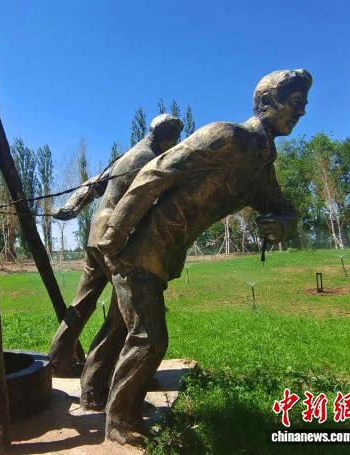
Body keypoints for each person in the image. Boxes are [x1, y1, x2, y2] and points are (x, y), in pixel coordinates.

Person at [94, 70, 312, 445]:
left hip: (164, 253)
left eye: (303, 104)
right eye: (295, 103)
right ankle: (120, 420)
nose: (301, 111)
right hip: (141, 243)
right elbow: (154, 173)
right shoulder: (226, 136)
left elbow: (281, 207)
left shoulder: (262, 166)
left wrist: (281, 224)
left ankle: (93, 390)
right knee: (149, 338)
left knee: (120, 325)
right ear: (266, 103)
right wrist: (115, 233)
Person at [48, 114, 183, 400]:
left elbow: (93, 184)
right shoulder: (150, 159)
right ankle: (104, 380)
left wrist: (71, 207)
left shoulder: (128, 155)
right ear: (162, 134)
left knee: (83, 301)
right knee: (123, 313)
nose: (177, 141)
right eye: (174, 135)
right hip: (115, 239)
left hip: (95, 235)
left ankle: (59, 358)